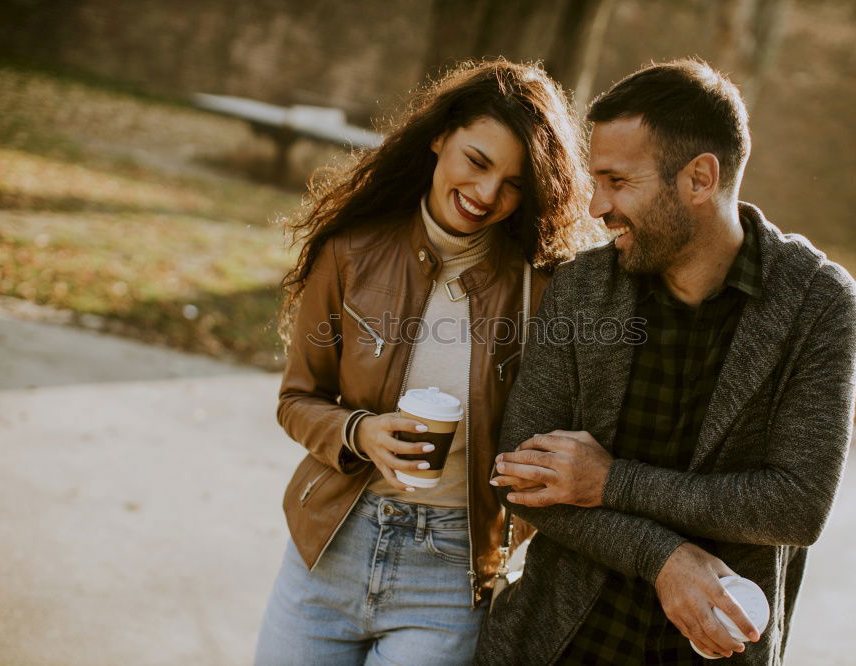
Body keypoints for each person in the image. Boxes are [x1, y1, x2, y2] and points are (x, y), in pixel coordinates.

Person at [479, 58, 856, 665]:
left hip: (712, 652)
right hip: (556, 645)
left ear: (700, 179)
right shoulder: (583, 288)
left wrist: (610, 482)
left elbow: (796, 504)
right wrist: (660, 559)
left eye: (616, 181)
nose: (595, 207)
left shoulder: (819, 304)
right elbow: (521, 479)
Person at [254, 59, 600, 665]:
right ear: (440, 137)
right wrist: (360, 432)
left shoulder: (540, 289)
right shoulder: (351, 252)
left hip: (448, 571)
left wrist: (517, 529)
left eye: (515, 182)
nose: (488, 194)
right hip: (328, 549)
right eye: (477, 161)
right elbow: (296, 399)